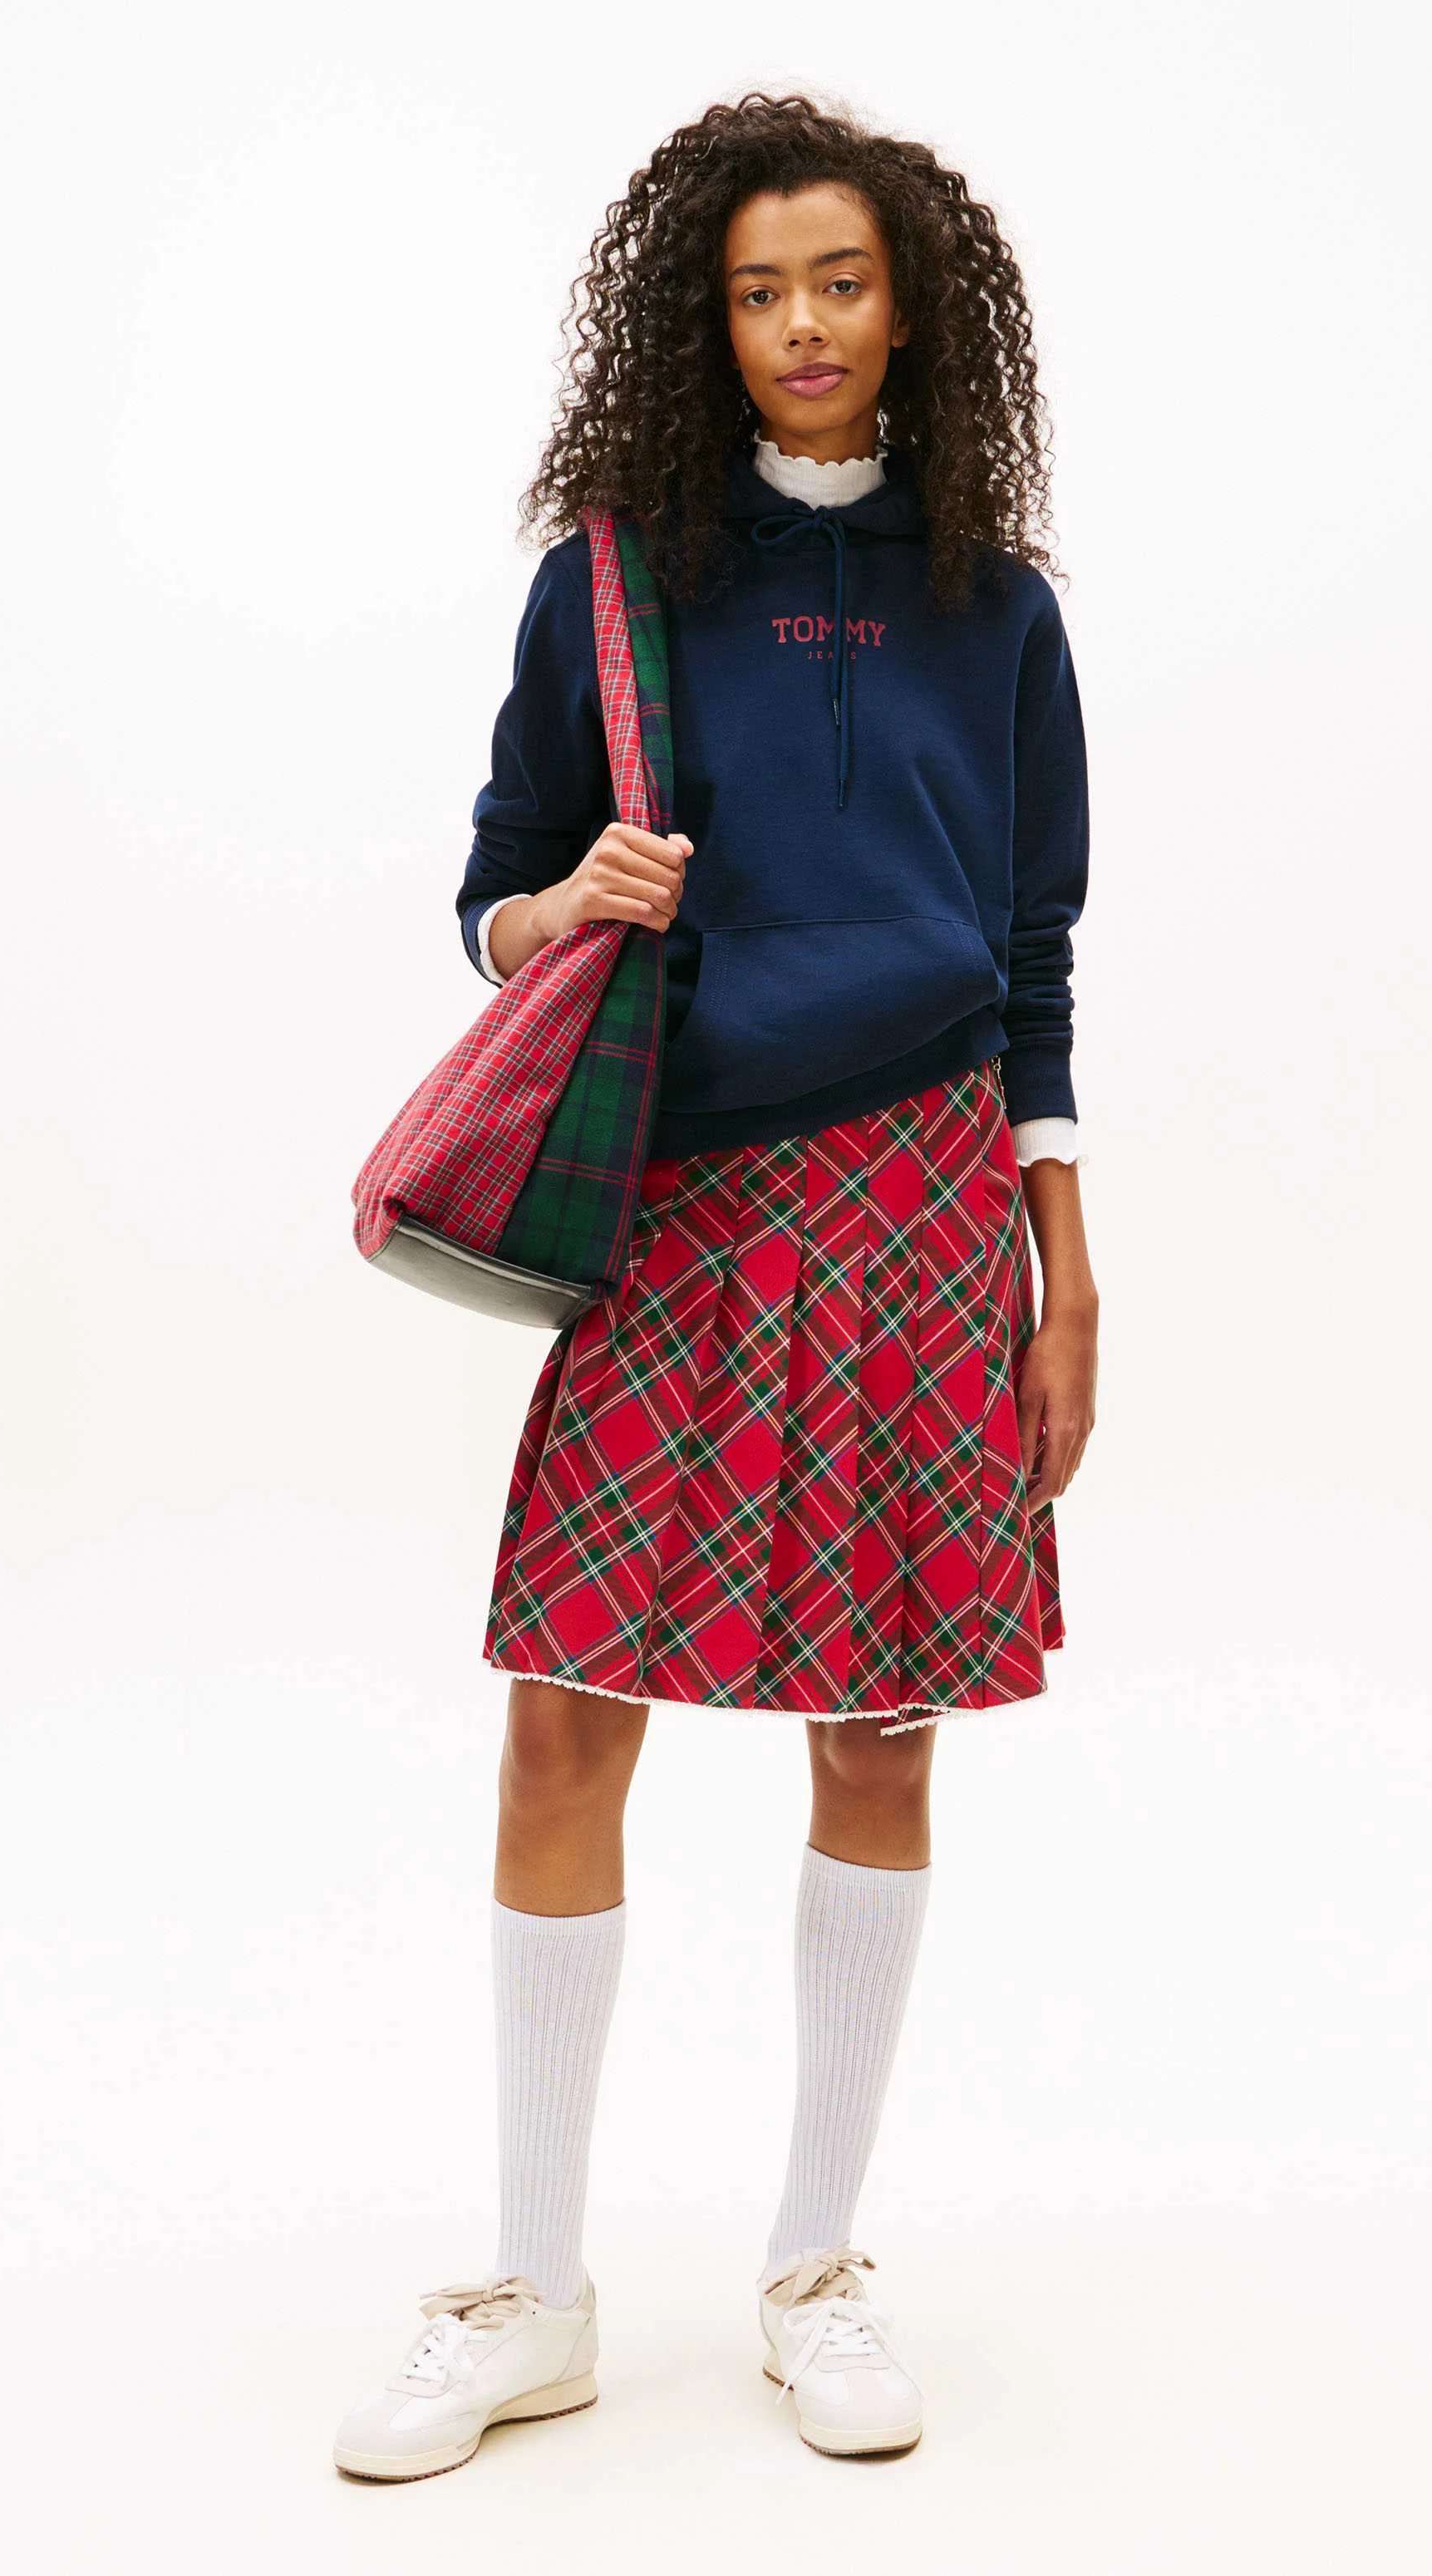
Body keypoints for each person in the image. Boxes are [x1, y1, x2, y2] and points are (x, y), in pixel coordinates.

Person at [333, 91, 1096, 2481]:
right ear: (707, 318)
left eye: (839, 282)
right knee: (567, 1715)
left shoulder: (1001, 610)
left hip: (924, 1199)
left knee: (881, 1732)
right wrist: (562, 904)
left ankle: (814, 2266)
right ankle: (535, 2289)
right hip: (680, 1196)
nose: (801, 325)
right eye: (759, 291)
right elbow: (492, 889)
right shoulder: (616, 584)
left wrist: (1065, 1264)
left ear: (913, 306)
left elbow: (1035, 960)